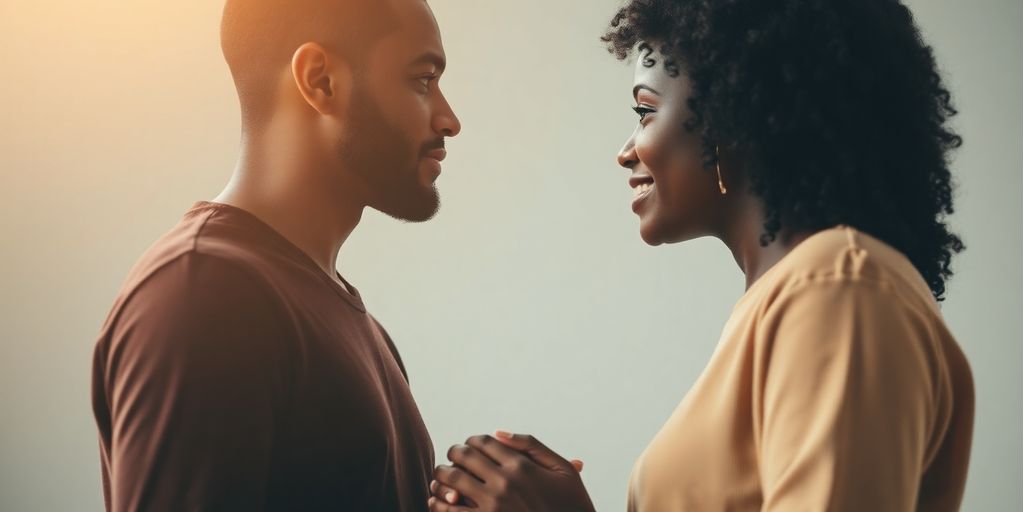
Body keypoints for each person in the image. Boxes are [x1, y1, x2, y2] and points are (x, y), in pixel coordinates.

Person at [429, 0, 974, 510]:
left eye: (645, 111)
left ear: (731, 113)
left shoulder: (838, 288)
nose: (625, 152)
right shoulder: (793, 301)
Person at [90, 0, 460, 509]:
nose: (450, 119)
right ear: (320, 80)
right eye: (423, 79)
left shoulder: (358, 326)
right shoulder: (205, 293)